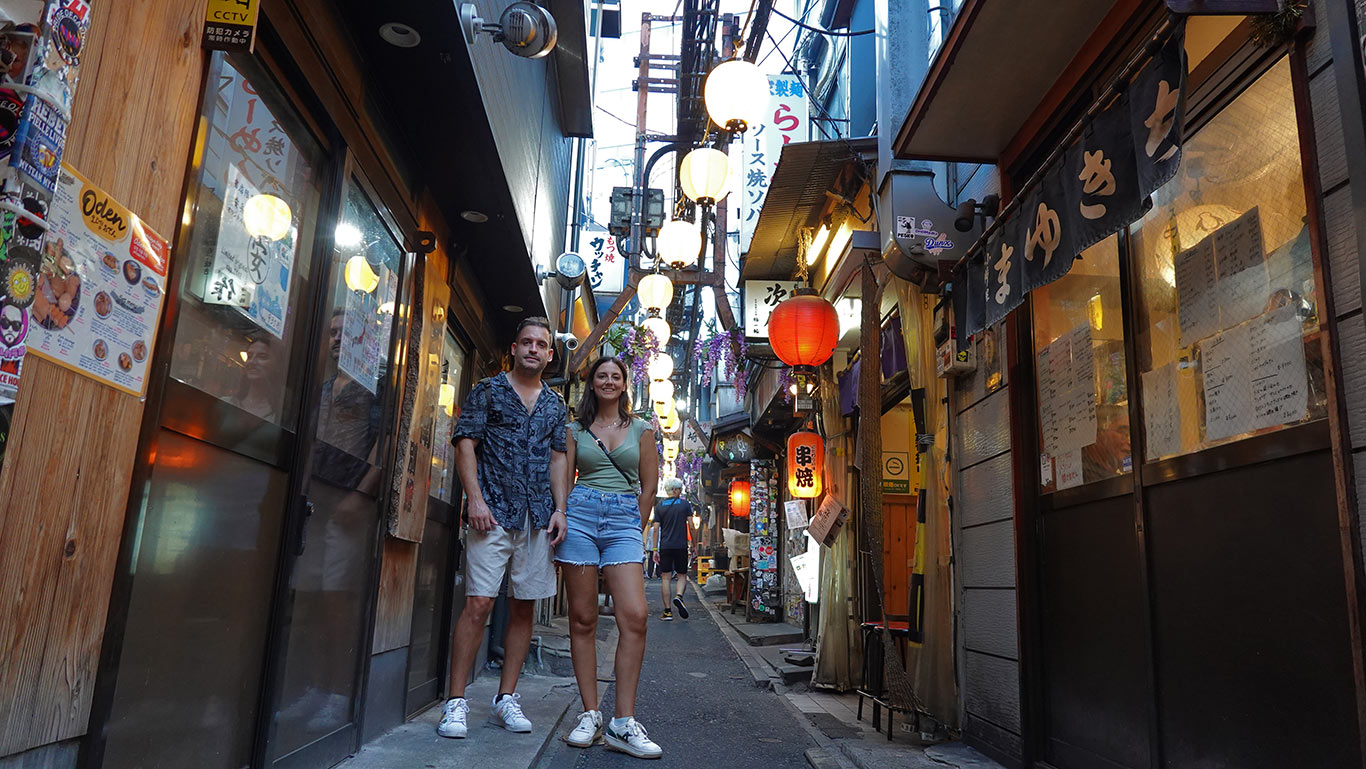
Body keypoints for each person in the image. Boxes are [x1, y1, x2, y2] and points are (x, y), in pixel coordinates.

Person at [437, 317, 569, 740]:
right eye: (526, 342)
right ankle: (455, 702)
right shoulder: (488, 391)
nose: (533, 349)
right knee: (478, 604)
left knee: (524, 606)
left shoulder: (554, 405)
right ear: (513, 348)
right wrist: (474, 498)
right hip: (491, 514)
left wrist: (560, 509)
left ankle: (505, 698)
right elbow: (465, 444)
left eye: (541, 344)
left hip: (536, 519)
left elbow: (558, 459)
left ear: (550, 354)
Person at [557, 357, 662, 759]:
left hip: (623, 521)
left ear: (624, 384)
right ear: (592, 382)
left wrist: (633, 526)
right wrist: (562, 514)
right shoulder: (575, 429)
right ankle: (589, 713)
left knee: (635, 616)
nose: (608, 381)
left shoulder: (642, 429)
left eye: (615, 376)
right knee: (582, 617)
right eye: (602, 375)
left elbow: (649, 488)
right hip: (580, 515)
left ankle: (623, 722)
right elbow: (566, 480)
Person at [652, 478, 693, 621]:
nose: (681, 492)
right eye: (680, 489)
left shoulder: (659, 506)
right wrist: (693, 543)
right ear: (675, 490)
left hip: (665, 546)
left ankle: (667, 611)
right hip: (681, 546)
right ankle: (679, 596)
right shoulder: (684, 505)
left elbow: (656, 529)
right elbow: (691, 525)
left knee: (665, 577)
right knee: (682, 575)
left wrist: (655, 549)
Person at [643, 512, 659, 580]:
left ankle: (650, 573)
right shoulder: (660, 529)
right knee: (658, 561)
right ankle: (658, 574)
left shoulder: (651, 529)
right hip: (659, 547)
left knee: (651, 561)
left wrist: (647, 547)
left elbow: (649, 538)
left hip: (652, 547)